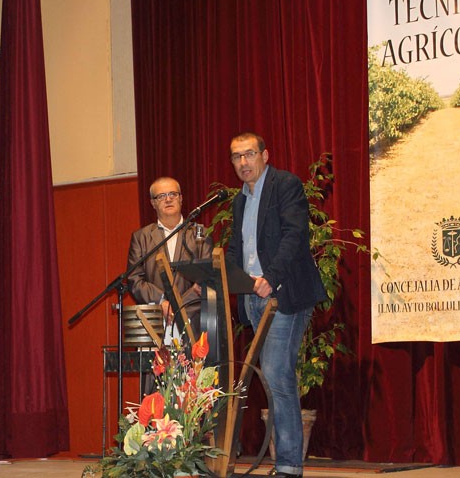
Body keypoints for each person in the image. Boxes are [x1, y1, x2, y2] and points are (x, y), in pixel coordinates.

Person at [226, 132, 326, 478]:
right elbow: (237, 250)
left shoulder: (286, 185)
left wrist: (271, 276)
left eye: (249, 154)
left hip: (284, 292)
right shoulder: (239, 201)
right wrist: (220, 275)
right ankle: (285, 463)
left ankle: (288, 465)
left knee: (276, 373)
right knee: (272, 377)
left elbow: (295, 236)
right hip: (253, 297)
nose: (243, 163)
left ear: (265, 155)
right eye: (236, 157)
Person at [127, 177, 213, 343]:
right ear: (153, 203)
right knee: (158, 370)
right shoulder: (141, 237)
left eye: (173, 194)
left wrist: (178, 306)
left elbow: (206, 279)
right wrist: (162, 302)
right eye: (161, 196)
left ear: (181, 198)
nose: (168, 199)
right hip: (155, 323)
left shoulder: (200, 234)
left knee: (192, 369)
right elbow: (134, 280)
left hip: (192, 322)